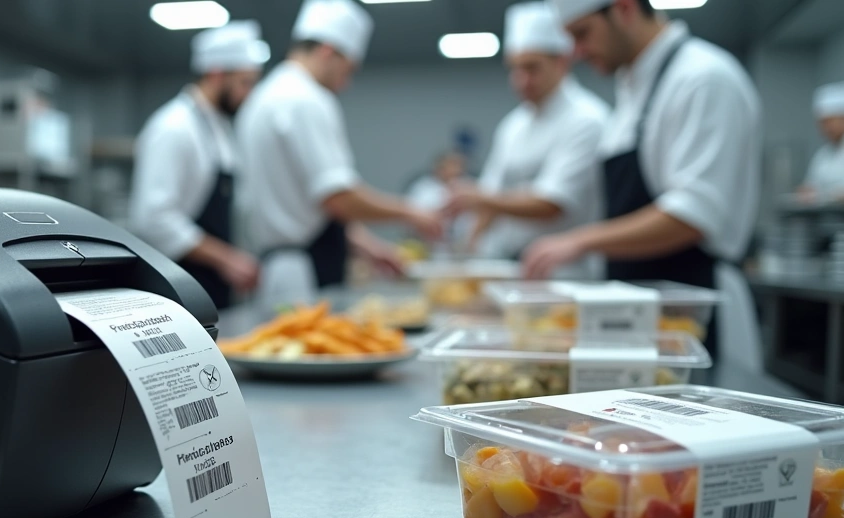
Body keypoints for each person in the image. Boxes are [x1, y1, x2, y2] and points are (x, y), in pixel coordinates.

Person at [526, 0, 762, 351]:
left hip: (696, 312)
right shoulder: (633, 87)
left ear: (624, 9)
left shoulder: (703, 78)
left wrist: (580, 240)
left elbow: (693, 215)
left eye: (582, 33)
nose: (575, 52)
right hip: (641, 312)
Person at [236, 0, 442, 309]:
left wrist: (369, 247)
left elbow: (309, 206)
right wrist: (412, 212)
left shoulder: (266, 96)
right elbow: (338, 197)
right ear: (327, 52)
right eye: (348, 70)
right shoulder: (306, 99)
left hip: (281, 267)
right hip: (304, 275)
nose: (346, 83)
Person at [441, 1, 608, 279]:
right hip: (514, 266)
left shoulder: (587, 119)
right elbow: (490, 199)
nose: (521, 80)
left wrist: (480, 197)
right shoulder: (513, 125)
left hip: (568, 272)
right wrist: (467, 251)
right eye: (515, 69)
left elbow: (552, 204)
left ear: (561, 62)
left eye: (532, 68)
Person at [128, 21, 270, 309]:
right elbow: (154, 219)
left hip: (212, 285)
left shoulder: (218, 128)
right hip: (178, 285)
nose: (250, 94)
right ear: (217, 74)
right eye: (245, 83)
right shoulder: (174, 127)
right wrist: (226, 258)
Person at [800, 82, 844, 204]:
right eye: (821, 123)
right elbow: (810, 186)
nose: (825, 128)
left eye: (829, 121)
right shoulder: (823, 155)